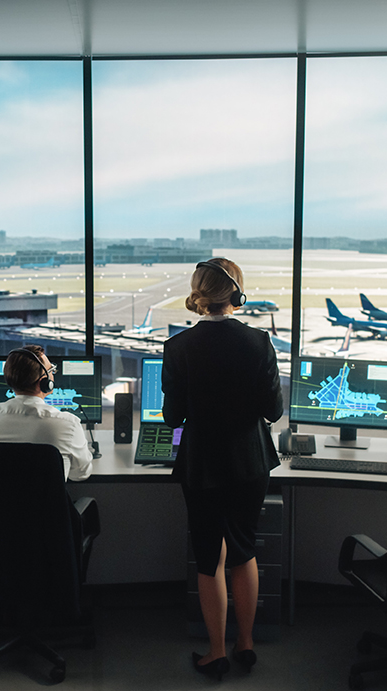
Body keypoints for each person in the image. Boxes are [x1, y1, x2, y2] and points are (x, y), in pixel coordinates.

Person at [162, 258, 283, 679]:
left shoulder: (178, 347)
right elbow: (273, 410)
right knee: (244, 549)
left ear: (199, 295)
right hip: (250, 460)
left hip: (202, 463)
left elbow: (173, 418)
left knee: (209, 555)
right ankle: (245, 643)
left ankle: (216, 652)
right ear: (237, 295)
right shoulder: (259, 342)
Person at [0, 344, 93, 482]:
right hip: (46, 504)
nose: (52, 374)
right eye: (51, 370)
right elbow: (80, 474)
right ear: (44, 382)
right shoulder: (68, 424)